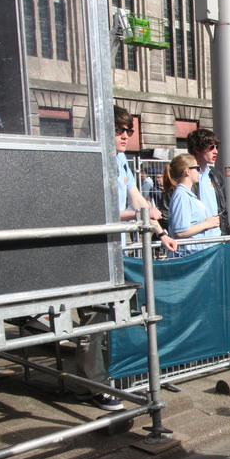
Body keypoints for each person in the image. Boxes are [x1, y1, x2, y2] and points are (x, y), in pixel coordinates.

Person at [76, 106, 176, 411]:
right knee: (93, 321)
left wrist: (160, 233)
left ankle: (101, 378)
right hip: (92, 254)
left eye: (128, 130)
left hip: (116, 253)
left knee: (114, 318)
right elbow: (98, 211)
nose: (125, 135)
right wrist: (136, 216)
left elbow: (137, 199)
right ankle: (95, 384)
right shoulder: (91, 160)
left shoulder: (121, 160)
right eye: (119, 130)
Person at [165, 153, 220, 255]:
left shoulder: (186, 195)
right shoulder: (181, 196)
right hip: (186, 256)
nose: (199, 171)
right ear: (187, 171)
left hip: (194, 254)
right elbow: (179, 231)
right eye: (197, 168)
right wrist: (207, 224)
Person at [187, 128, 230, 235]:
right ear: (197, 148)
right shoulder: (185, 176)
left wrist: (229, 235)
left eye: (216, 147)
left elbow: (223, 210)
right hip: (194, 240)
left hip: (217, 238)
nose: (216, 151)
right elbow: (167, 213)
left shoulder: (215, 175)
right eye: (211, 147)